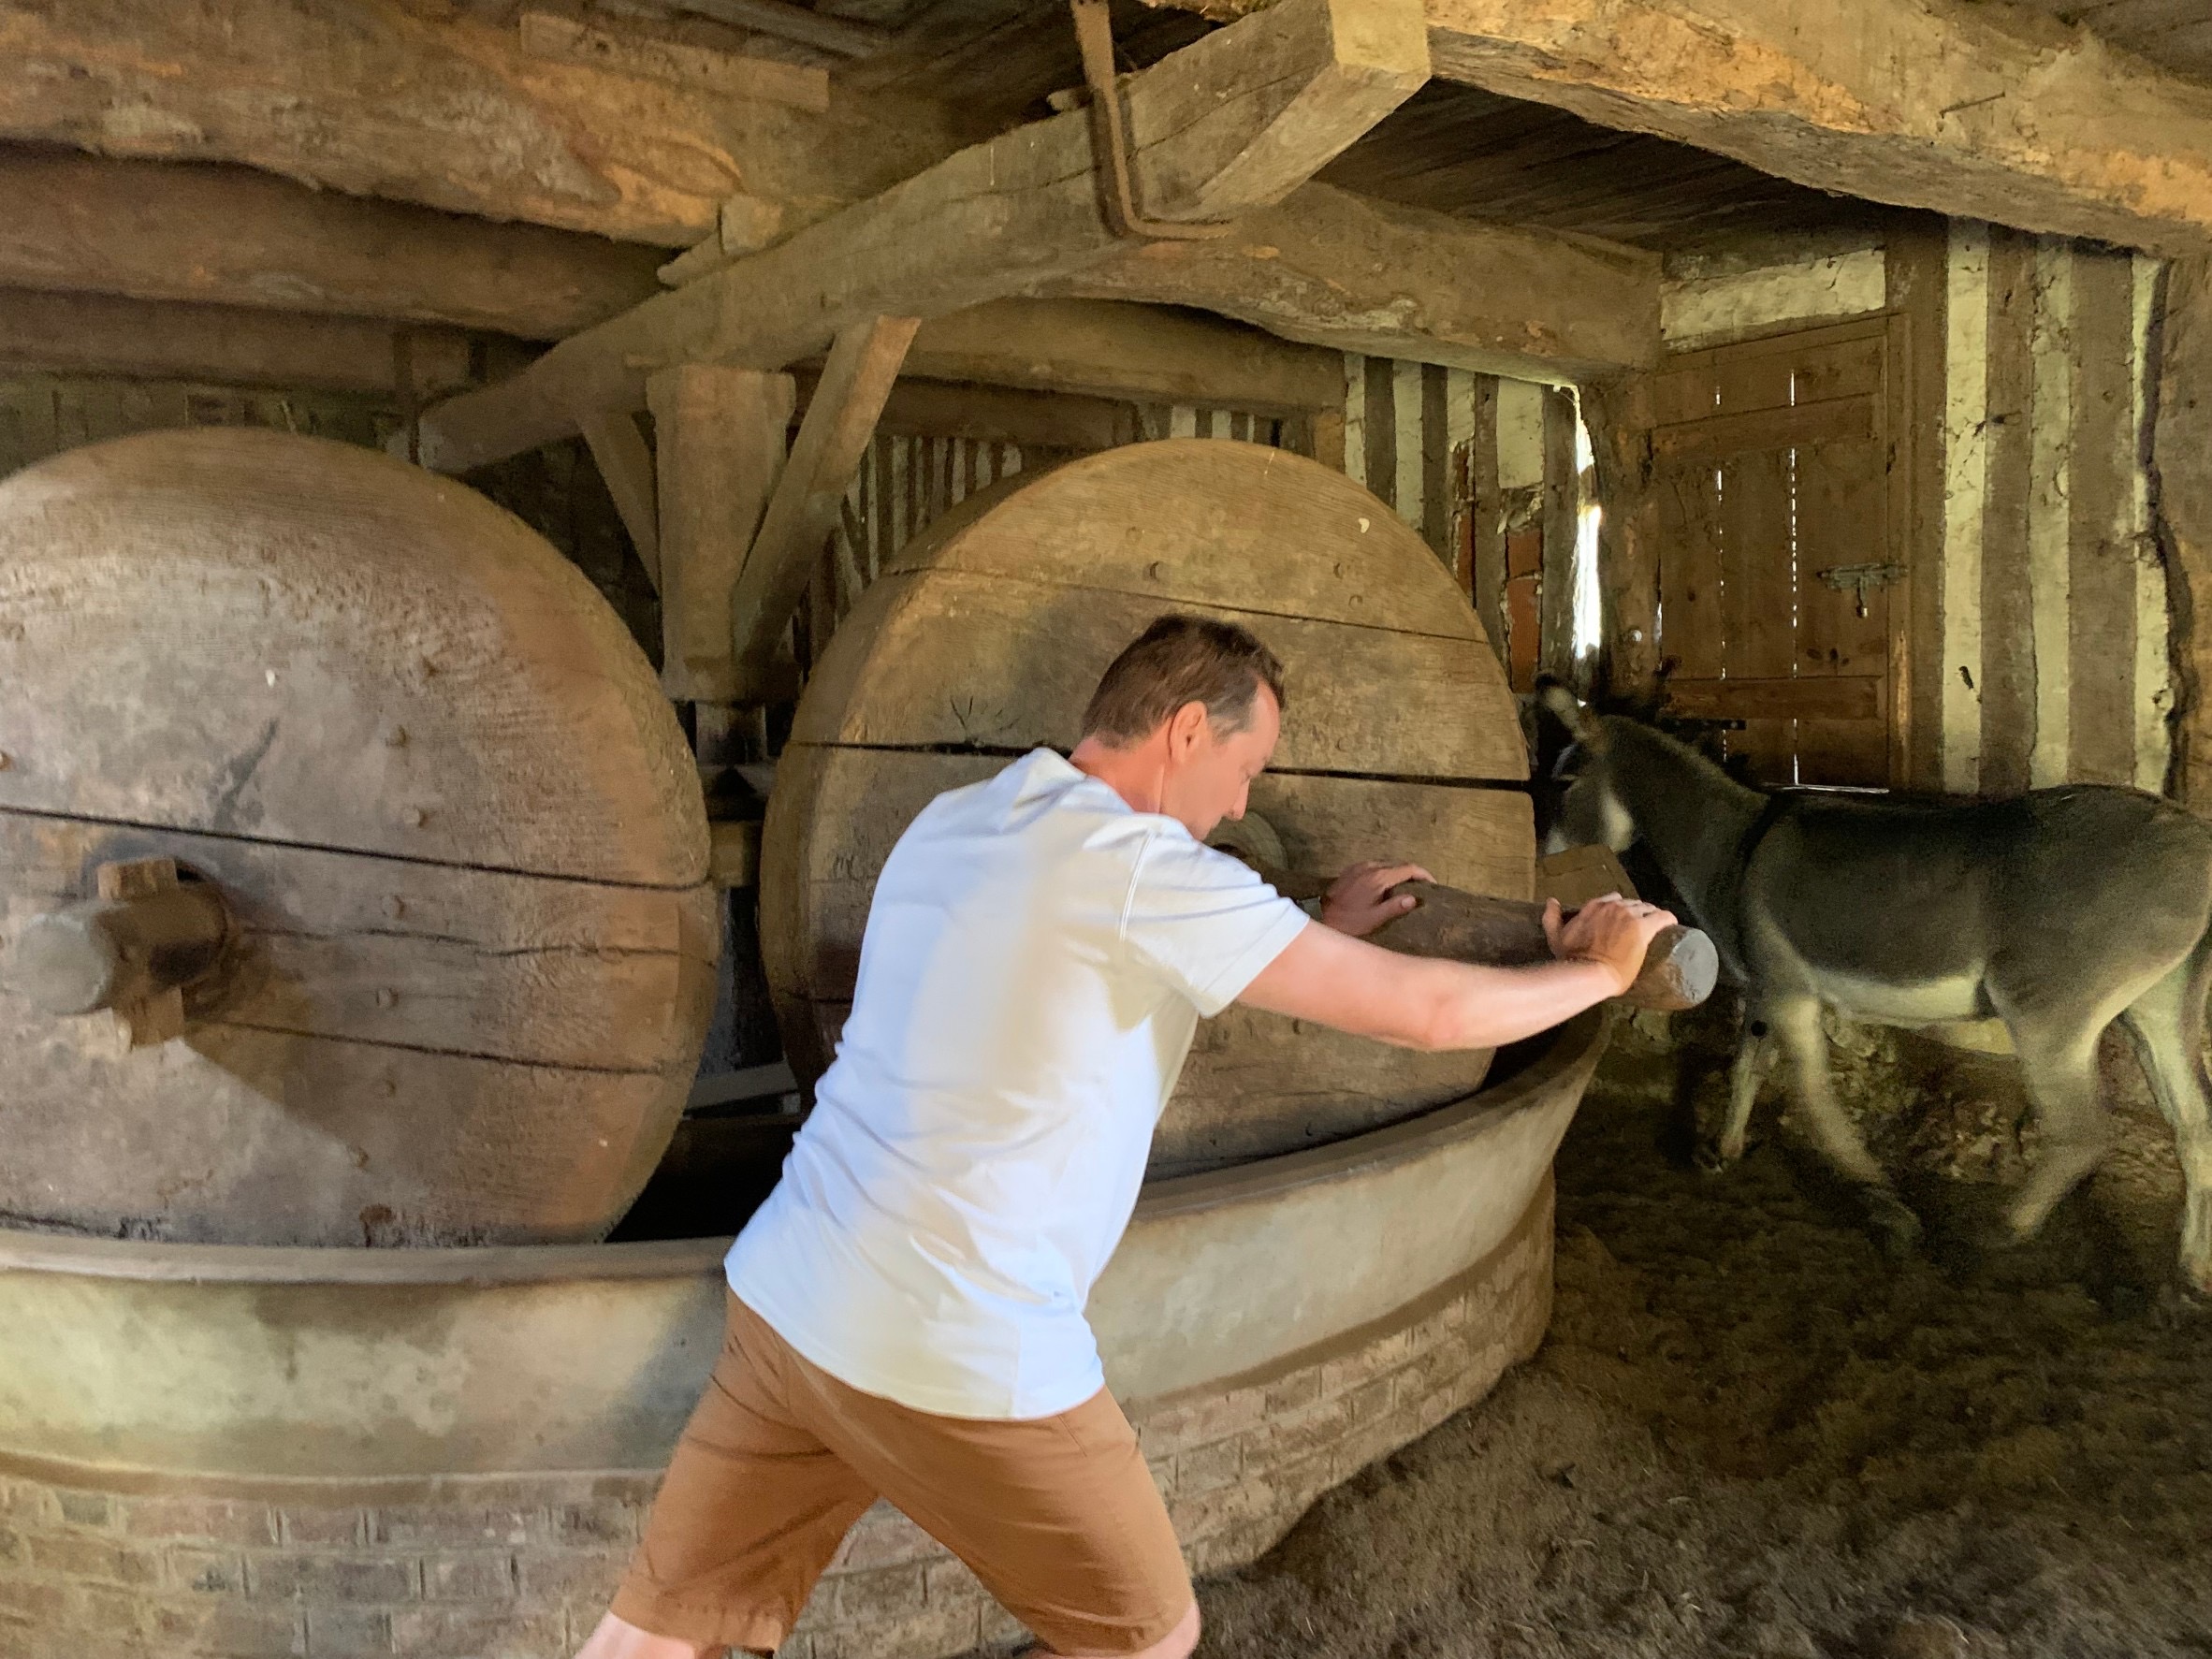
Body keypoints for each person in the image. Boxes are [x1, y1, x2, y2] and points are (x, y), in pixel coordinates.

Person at [578, 615, 1673, 1659]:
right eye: (1246, 770)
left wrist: (1306, 936)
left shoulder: (961, 819)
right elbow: (1428, 1015)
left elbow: (1074, 982)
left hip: (790, 1295)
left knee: (658, 1628)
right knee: (1145, 1636)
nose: (1242, 802)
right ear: (1186, 730)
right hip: (954, 1334)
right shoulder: (1151, 872)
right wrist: (1595, 974)